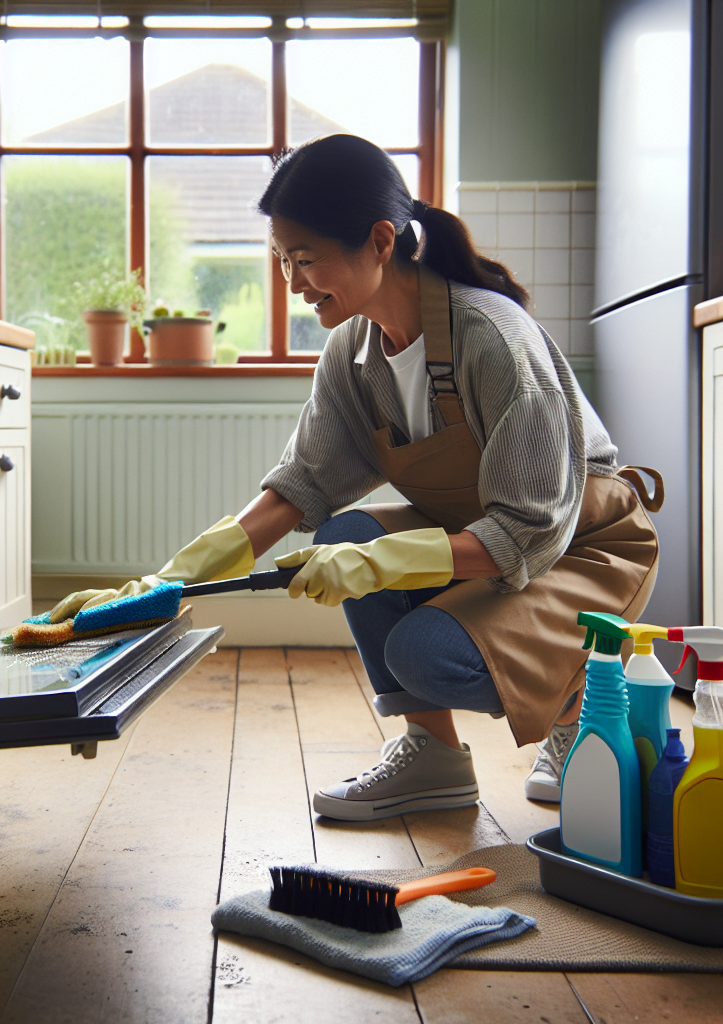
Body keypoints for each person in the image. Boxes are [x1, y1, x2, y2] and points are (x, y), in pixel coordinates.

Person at [48, 134, 661, 820]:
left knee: (421, 653)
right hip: (482, 540)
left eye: (305, 260)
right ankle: (434, 758)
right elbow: (299, 488)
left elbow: (527, 530)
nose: (291, 283)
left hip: (582, 546)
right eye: (282, 260)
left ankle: (583, 703)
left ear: (378, 241)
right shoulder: (353, 351)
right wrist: (165, 583)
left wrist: (379, 561)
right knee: (345, 530)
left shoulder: (493, 341)